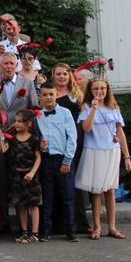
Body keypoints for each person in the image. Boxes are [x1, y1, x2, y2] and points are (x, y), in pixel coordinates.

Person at [0, 52, 38, 230]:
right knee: (1, 178)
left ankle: (25, 224)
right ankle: (3, 220)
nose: (8, 66)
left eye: (12, 63)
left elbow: (34, 110)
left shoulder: (27, 84)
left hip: (20, 138)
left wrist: (23, 125)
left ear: (17, 65)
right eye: (5, 63)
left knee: (20, 177)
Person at [76, 78, 131, 240]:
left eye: (102, 88)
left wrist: (127, 156)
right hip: (94, 151)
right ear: (90, 91)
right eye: (95, 89)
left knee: (110, 189)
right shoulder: (86, 107)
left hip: (112, 151)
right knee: (96, 191)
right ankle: (97, 226)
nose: (99, 91)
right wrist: (93, 108)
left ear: (107, 90)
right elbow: (86, 128)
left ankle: (112, 227)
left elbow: (120, 133)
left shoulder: (114, 107)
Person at [36, 82, 78, 242]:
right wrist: (42, 146)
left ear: (56, 95)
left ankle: (71, 229)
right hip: (47, 160)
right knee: (47, 196)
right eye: (45, 95)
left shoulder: (65, 113)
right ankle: (46, 229)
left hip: (63, 159)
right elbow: (38, 137)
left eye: (51, 94)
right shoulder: (38, 115)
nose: (48, 98)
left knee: (67, 196)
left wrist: (67, 161)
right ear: (40, 96)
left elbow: (72, 137)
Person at [52, 62, 91, 234]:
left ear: (70, 77)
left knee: (74, 181)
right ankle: (60, 224)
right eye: (58, 74)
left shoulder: (77, 95)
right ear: (53, 76)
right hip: (56, 141)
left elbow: (87, 117)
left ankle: (80, 223)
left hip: (75, 140)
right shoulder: (50, 94)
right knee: (58, 179)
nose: (62, 77)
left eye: (65, 74)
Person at [0, 109, 42, 244]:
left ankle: (35, 232)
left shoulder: (34, 138)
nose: (16, 124)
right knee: (20, 204)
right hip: (16, 175)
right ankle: (24, 231)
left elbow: (38, 158)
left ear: (28, 123)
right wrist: (1, 139)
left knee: (33, 204)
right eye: (15, 121)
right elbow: (3, 149)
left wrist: (32, 172)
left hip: (30, 175)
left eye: (19, 121)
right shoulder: (12, 138)